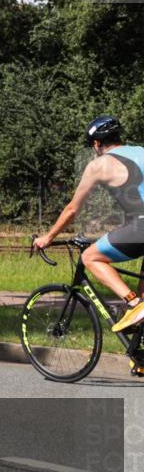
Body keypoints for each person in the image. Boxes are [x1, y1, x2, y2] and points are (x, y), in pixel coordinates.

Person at [34, 116, 144, 339]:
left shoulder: (99, 165)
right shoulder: (140, 151)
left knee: (90, 257)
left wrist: (48, 236)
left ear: (96, 144)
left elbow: (73, 209)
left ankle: (133, 302)